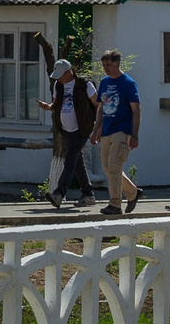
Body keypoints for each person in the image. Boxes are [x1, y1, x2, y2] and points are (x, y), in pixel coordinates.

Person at [40, 58, 97, 209]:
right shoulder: (58, 85)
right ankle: (88, 194)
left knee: (70, 160)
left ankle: (59, 193)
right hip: (65, 130)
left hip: (82, 129)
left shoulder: (85, 85)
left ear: (69, 72)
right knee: (77, 163)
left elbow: (97, 105)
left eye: (60, 75)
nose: (58, 78)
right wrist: (49, 107)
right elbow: (56, 104)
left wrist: (98, 127)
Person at [92, 48, 142, 215]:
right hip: (106, 129)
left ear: (117, 63)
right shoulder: (105, 82)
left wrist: (134, 135)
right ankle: (133, 192)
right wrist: (95, 129)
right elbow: (101, 108)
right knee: (108, 167)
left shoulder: (128, 83)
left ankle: (114, 204)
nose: (106, 68)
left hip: (122, 129)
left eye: (109, 65)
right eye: (104, 65)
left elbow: (136, 110)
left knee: (114, 164)